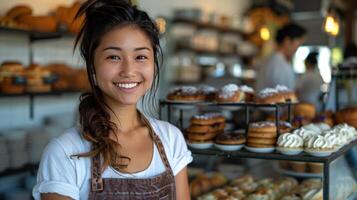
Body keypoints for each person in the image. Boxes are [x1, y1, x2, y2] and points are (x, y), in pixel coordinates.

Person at [32, 0, 192, 199]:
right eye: (114, 57)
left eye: (141, 57)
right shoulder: (65, 152)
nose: (128, 71)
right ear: (92, 66)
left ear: (154, 64)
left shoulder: (171, 139)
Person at [256, 23, 307, 91]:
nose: (297, 49)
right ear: (287, 41)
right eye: (298, 45)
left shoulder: (269, 60)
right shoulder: (281, 65)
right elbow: (284, 96)